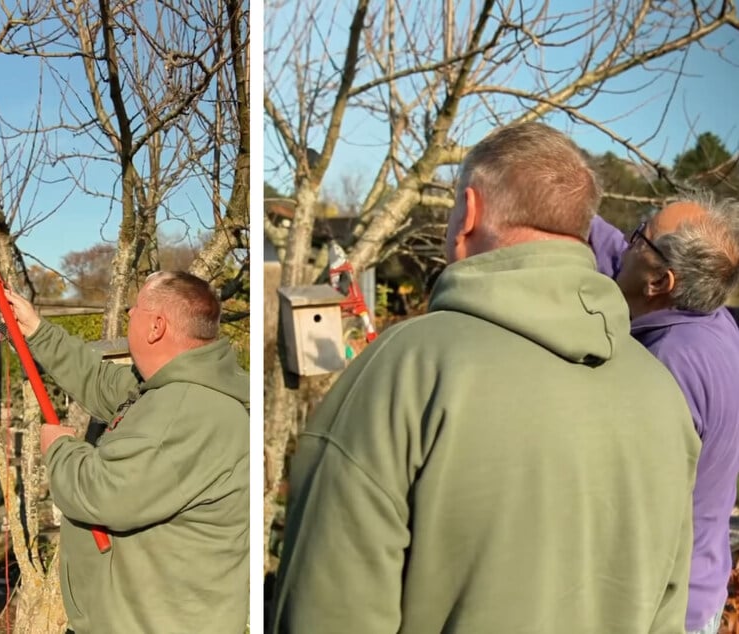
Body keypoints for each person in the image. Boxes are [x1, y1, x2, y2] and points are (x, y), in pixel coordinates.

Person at [269, 122, 699, 633]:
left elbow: (326, 611)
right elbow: (669, 608)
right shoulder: (663, 396)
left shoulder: (405, 370)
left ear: (468, 213)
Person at [2, 271, 249, 634]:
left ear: (156, 326)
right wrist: (37, 330)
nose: (129, 313)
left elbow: (102, 493)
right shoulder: (166, 389)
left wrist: (59, 449)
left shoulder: (187, 411)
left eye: (136, 308)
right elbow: (98, 381)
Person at [590, 192, 739, 634]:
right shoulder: (712, 319)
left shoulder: (668, 366)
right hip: (702, 586)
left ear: (658, 283)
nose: (628, 240)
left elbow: (632, 512)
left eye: (640, 234)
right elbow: (617, 251)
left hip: (666, 612)